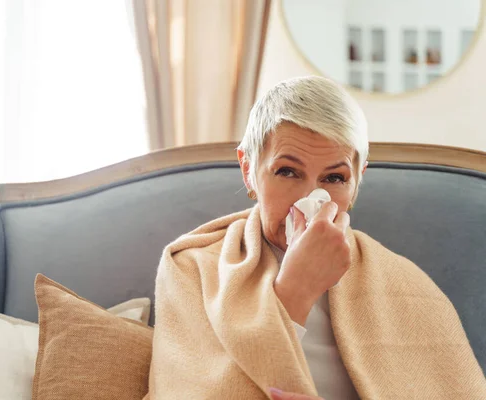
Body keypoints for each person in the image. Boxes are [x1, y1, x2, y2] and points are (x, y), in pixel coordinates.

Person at [145, 76, 486, 399]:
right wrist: (295, 290)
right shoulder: (192, 268)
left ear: (357, 182)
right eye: (287, 172)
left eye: (335, 178)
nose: (310, 199)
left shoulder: (408, 285)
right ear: (248, 169)